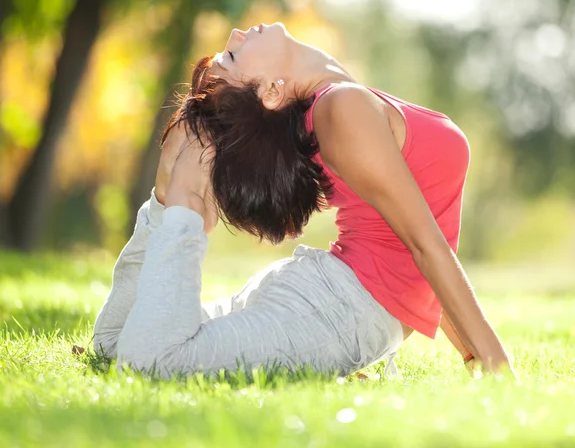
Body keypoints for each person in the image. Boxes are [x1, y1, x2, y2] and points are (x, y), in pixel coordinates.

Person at [93, 22, 514, 379]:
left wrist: (469, 348)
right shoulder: (342, 108)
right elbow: (423, 242)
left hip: (335, 302)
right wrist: (495, 362)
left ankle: (173, 202)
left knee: (125, 346)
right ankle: (177, 200)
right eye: (234, 58)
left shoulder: (340, 101)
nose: (237, 34)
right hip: (335, 310)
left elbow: (415, 238)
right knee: (149, 358)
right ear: (273, 91)